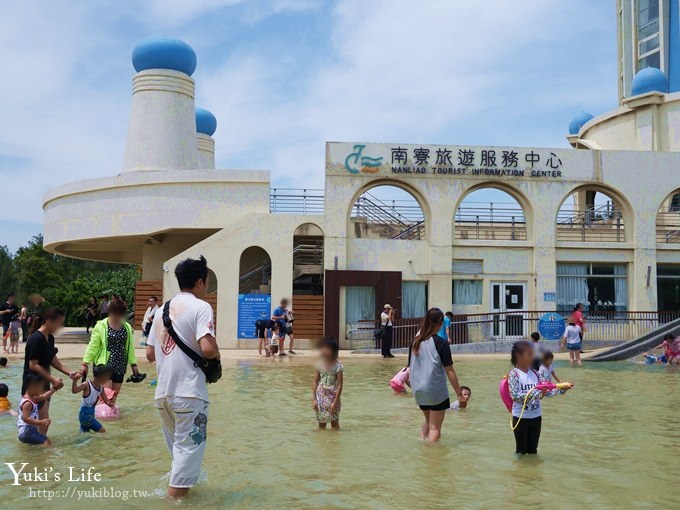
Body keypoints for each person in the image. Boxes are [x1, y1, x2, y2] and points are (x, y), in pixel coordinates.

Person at [146, 255, 220, 499]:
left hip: (163, 396)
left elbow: (149, 354)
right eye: (207, 282)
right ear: (199, 282)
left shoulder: (160, 311)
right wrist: (217, 358)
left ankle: (180, 495)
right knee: (186, 457)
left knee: (180, 458)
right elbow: (207, 348)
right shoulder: (201, 307)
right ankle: (172, 502)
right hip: (189, 394)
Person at [409, 308, 464, 443]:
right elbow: (449, 370)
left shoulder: (415, 342)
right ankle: (432, 458)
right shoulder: (441, 343)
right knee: (435, 428)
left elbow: (410, 367)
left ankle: (422, 447)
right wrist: (459, 393)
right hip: (434, 390)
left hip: (419, 390)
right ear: (440, 324)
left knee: (428, 422)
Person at [23, 307, 79, 436]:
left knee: (44, 423)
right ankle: (39, 450)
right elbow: (33, 365)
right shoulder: (36, 339)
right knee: (33, 426)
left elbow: (53, 359)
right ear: (49, 321)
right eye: (59, 323)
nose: (61, 326)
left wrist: (69, 373)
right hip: (33, 386)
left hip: (44, 384)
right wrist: (52, 379)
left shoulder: (50, 338)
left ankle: (39, 451)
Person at [508, 341, 569, 455]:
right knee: (521, 451)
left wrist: (562, 389)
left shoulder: (536, 373)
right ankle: (519, 472)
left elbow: (547, 391)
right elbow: (515, 396)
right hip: (521, 418)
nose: (533, 357)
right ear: (519, 356)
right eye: (529, 354)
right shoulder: (514, 374)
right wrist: (538, 394)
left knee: (533, 451)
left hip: (536, 417)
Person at [81, 299, 140, 404]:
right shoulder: (101, 326)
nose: (117, 317)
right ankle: (100, 417)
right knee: (105, 396)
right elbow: (93, 346)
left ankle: (113, 418)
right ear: (110, 312)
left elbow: (129, 347)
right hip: (104, 365)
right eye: (115, 313)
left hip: (120, 365)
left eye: (120, 314)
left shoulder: (127, 327)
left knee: (114, 396)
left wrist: (133, 364)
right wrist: (85, 363)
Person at [17, 373, 57, 447]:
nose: (41, 389)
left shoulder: (32, 398)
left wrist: (55, 388)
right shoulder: (27, 403)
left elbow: (44, 397)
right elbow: (26, 418)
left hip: (28, 430)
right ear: (32, 386)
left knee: (35, 446)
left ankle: (37, 457)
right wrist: (41, 422)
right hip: (27, 430)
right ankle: (52, 454)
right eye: (40, 387)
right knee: (46, 441)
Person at [72, 364, 114, 433]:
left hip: (90, 415)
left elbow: (107, 402)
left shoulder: (101, 389)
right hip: (85, 415)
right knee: (102, 431)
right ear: (101, 377)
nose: (107, 380)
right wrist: (75, 381)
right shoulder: (87, 385)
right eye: (107, 377)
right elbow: (75, 391)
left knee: (85, 435)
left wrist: (112, 403)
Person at [313, 339, 343, 430]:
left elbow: (340, 385)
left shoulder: (338, 366)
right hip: (321, 397)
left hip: (333, 397)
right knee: (321, 424)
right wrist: (314, 399)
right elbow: (315, 382)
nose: (324, 350)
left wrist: (335, 402)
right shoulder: (319, 365)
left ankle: (334, 442)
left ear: (333, 351)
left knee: (334, 424)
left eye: (327, 348)